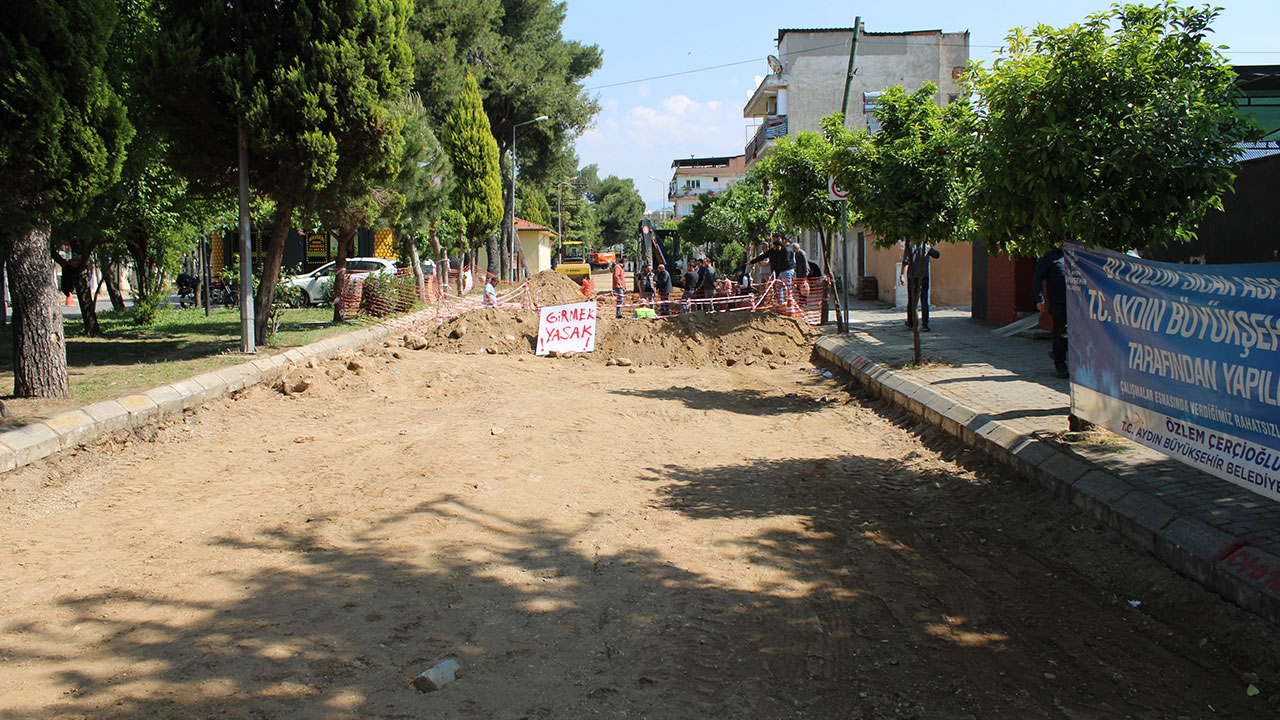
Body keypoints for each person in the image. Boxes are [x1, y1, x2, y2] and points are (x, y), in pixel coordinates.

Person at [1034, 242, 1069, 378]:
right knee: (1061, 331)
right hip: (1058, 301)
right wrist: (1040, 298)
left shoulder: (1073, 255)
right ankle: (1060, 364)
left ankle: (1057, 352)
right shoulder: (1049, 257)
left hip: (1075, 303)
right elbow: (1037, 277)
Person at [900, 242, 941, 331]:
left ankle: (911, 322)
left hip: (912, 277)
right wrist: (929, 249)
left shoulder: (909, 246)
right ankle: (925, 324)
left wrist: (902, 275)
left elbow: (906, 262)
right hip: (924, 277)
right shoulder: (925, 246)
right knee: (924, 301)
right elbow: (937, 255)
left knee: (912, 301)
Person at [750, 234, 797, 310]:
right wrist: (752, 262)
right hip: (779, 271)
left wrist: (790, 269)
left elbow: (787, 262)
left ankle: (790, 304)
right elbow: (764, 256)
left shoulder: (787, 250)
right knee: (778, 286)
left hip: (785, 271)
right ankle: (781, 302)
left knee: (787, 287)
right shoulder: (774, 251)